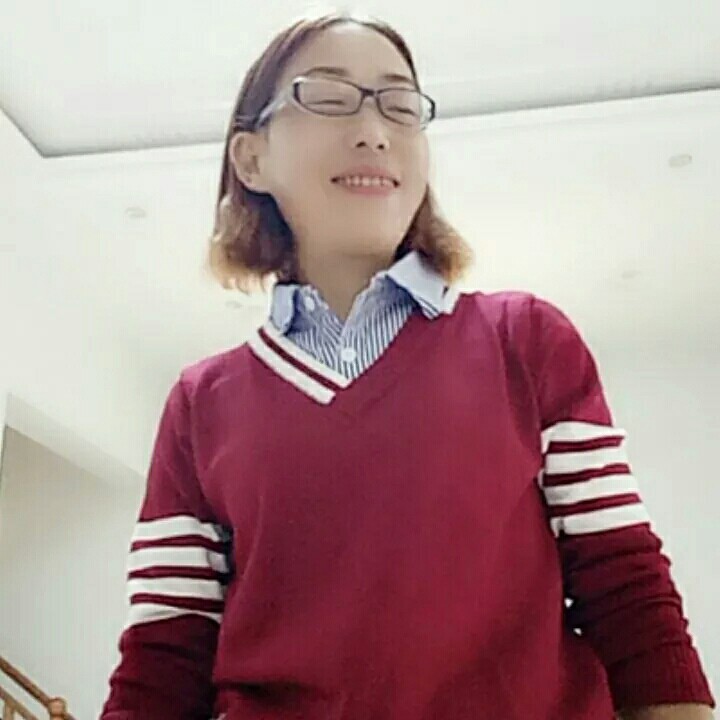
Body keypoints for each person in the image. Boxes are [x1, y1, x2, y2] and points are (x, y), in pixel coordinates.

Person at [100, 12, 715, 720]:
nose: (373, 129)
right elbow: (164, 652)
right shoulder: (199, 401)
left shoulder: (526, 340)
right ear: (251, 159)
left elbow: (625, 583)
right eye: (327, 96)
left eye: (398, 104)